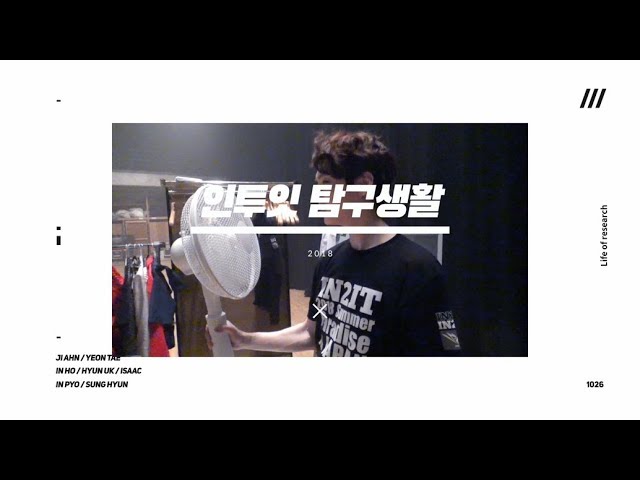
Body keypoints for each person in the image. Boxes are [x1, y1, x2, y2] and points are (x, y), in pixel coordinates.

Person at [206, 131, 461, 356]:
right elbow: (310, 331)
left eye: (327, 184)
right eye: (318, 185)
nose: (318, 195)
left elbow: (448, 349)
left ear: (364, 184)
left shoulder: (420, 271)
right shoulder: (330, 262)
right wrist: (245, 339)